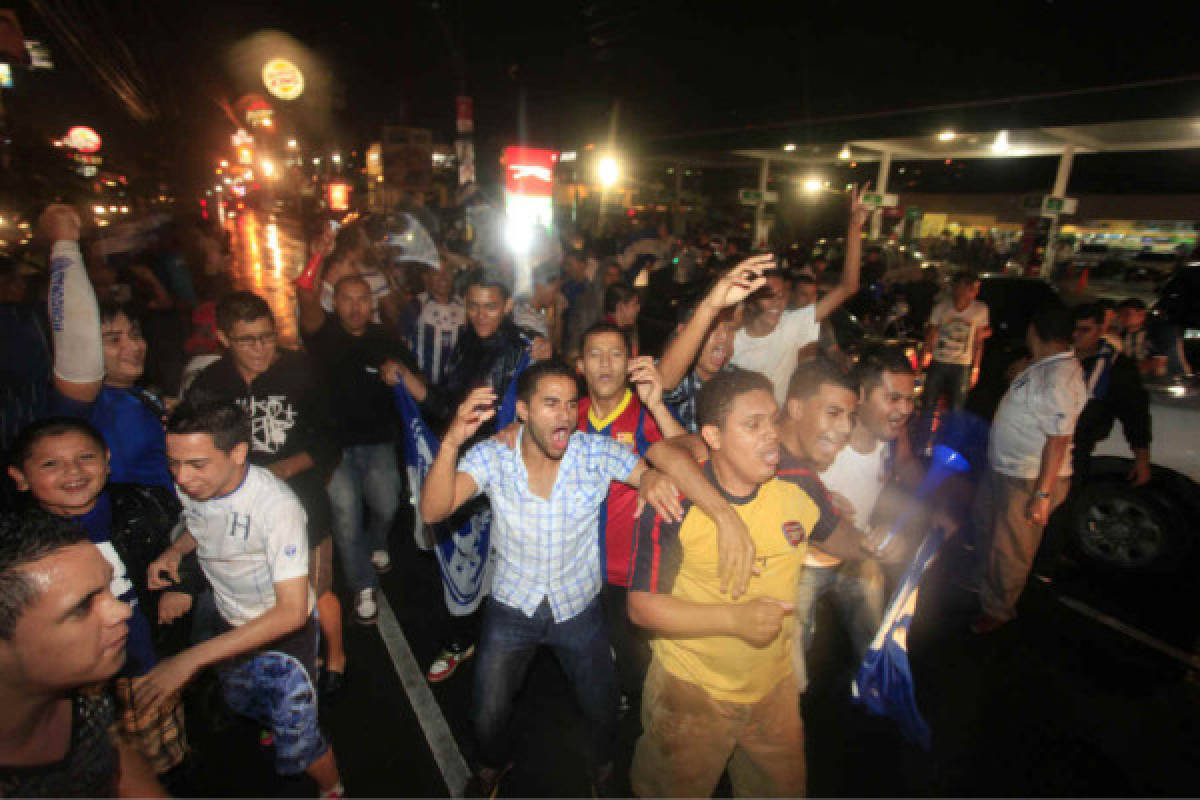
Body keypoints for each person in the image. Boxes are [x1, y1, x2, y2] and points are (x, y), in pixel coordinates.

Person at [419, 360, 752, 797]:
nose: (564, 414)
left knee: (602, 705)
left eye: (571, 403)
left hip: (577, 610)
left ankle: (602, 765)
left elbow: (654, 463)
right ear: (522, 410)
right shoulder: (493, 456)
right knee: (487, 712)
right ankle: (494, 765)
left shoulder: (595, 453)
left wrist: (652, 478)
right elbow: (432, 512)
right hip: (511, 609)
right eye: (551, 403)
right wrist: (452, 442)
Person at [626, 369, 839, 797]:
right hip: (691, 694)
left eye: (773, 421)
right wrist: (733, 619)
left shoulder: (800, 483)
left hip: (773, 691)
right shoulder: (675, 501)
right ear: (713, 436)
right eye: (753, 425)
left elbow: (836, 533)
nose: (771, 436)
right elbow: (641, 607)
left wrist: (880, 544)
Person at [139, 401, 343, 797]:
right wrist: (175, 552)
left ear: (237, 453)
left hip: (285, 639)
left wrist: (190, 658)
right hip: (229, 622)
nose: (182, 478)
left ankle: (333, 788)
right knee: (241, 699)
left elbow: (290, 614)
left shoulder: (276, 507)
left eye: (196, 464)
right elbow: (199, 524)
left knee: (299, 739)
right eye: (173, 463)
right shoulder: (199, 486)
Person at [7, 417, 206, 777]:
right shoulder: (20, 547)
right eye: (51, 464)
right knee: (94, 764)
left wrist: (183, 584)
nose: (73, 472)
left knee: (163, 754)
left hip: (147, 660)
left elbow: (202, 532)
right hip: (74, 681)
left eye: (85, 457)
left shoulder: (145, 502)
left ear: (107, 460)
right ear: (19, 476)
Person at [185, 291, 346, 694]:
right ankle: (280, 677)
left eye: (267, 337)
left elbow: (331, 438)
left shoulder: (302, 371)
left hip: (302, 499)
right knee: (263, 599)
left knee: (315, 586)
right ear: (224, 339)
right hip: (237, 510)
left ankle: (336, 657)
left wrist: (282, 470)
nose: (261, 349)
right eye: (247, 340)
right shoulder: (210, 384)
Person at [417, 269, 551, 684]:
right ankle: (468, 639)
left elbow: (554, 403)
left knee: (501, 559)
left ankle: (497, 643)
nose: (480, 314)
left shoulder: (523, 350)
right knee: (467, 558)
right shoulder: (467, 341)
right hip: (471, 470)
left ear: (508, 306)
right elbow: (446, 402)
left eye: (490, 305)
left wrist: (522, 425)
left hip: (505, 472)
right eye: (472, 305)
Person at [0, 510, 165, 797]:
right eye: (81, 607)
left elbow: (110, 753)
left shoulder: (88, 692)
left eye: (108, 588)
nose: (122, 610)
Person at [784, 350, 918, 687]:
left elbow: (890, 476)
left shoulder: (890, 436)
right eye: (893, 398)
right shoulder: (823, 436)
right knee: (790, 659)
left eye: (909, 398)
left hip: (854, 553)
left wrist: (890, 533)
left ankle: (875, 697)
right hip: (803, 562)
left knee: (874, 632)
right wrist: (825, 499)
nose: (904, 409)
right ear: (863, 395)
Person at [303, 275, 427, 627]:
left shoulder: (386, 340)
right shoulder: (323, 336)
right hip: (335, 447)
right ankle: (363, 586)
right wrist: (317, 260)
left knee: (388, 502)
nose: (355, 306)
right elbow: (306, 301)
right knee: (345, 512)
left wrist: (399, 372)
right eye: (347, 299)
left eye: (362, 299)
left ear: (372, 303)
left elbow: (417, 383)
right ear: (335, 302)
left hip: (379, 442)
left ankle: (376, 541)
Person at [576, 321, 684, 709]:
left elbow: (691, 461)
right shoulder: (570, 417)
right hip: (579, 570)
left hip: (630, 573)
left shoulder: (645, 417)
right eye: (594, 354)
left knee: (636, 664)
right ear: (580, 366)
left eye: (615, 354)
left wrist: (657, 406)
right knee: (591, 654)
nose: (605, 364)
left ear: (629, 364)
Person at [40, 205, 174, 491]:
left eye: (135, 335)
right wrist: (64, 244)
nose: (133, 346)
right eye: (113, 339)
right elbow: (75, 337)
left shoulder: (142, 397)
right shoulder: (80, 408)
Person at [971, 305, 1086, 633]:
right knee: (986, 525)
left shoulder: (1058, 378)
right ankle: (984, 583)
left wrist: (1042, 494)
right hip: (1005, 468)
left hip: (1027, 477)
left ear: (1034, 331)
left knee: (1011, 548)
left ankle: (998, 608)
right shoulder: (1046, 366)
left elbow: (1058, 440)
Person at [731, 188, 869, 404]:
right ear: (751, 300)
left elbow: (848, 287)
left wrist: (855, 226)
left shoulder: (791, 324)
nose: (778, 301)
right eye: (769, 295)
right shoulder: (734, 341)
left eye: (782, 294)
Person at [658, 254, 773, 433]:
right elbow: (663, 384)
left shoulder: (740, 382)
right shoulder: (681, 380)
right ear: (685, 332)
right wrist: (710, 306)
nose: (723, 338)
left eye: (730, 329)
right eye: (713, 329)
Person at [921, 270, 991, 442]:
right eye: (971, 288)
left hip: (962, 364)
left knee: (957, 407)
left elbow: (978, 341)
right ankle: (923, 439)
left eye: (976, 289)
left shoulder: (980, 310)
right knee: (929, 402)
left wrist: (976, 367)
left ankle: (951, 441)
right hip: (939, 360)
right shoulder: (942, 307)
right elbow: (932, 333)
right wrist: (926, 355)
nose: (974, 293)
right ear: (959, 288)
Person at [412, 267, 464, 386]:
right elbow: (402, 343)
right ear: (427, 277)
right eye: (436, 273)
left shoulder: (463, 305)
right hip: (422, 386)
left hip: (454, 385)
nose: (443, 277)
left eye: (447, 272)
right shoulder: (417, 304)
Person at [1116, 297, 1167, 377]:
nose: (1121, 318)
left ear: (1142, 315)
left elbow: (1158, 362)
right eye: (1119, 314)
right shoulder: (1121, 335)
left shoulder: (1157, 332)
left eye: (1126, 314)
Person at [602, 282, 641, 356]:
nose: (638, 308)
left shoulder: (627, 329)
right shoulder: (606, 335)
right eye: (635, 304)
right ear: (621, 306)